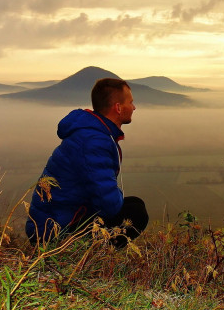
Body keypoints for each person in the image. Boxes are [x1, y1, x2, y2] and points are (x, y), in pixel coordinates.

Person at [25, 77, 149, 246]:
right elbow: (109, 204)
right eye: (131, 102)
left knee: (135, 203)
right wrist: (116, 193)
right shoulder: (94, 142)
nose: (134, 107)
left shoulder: (91, 133)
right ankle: (87, 259)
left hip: (54, 222)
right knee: (136, 213)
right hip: (54, 233)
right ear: (118, 108)